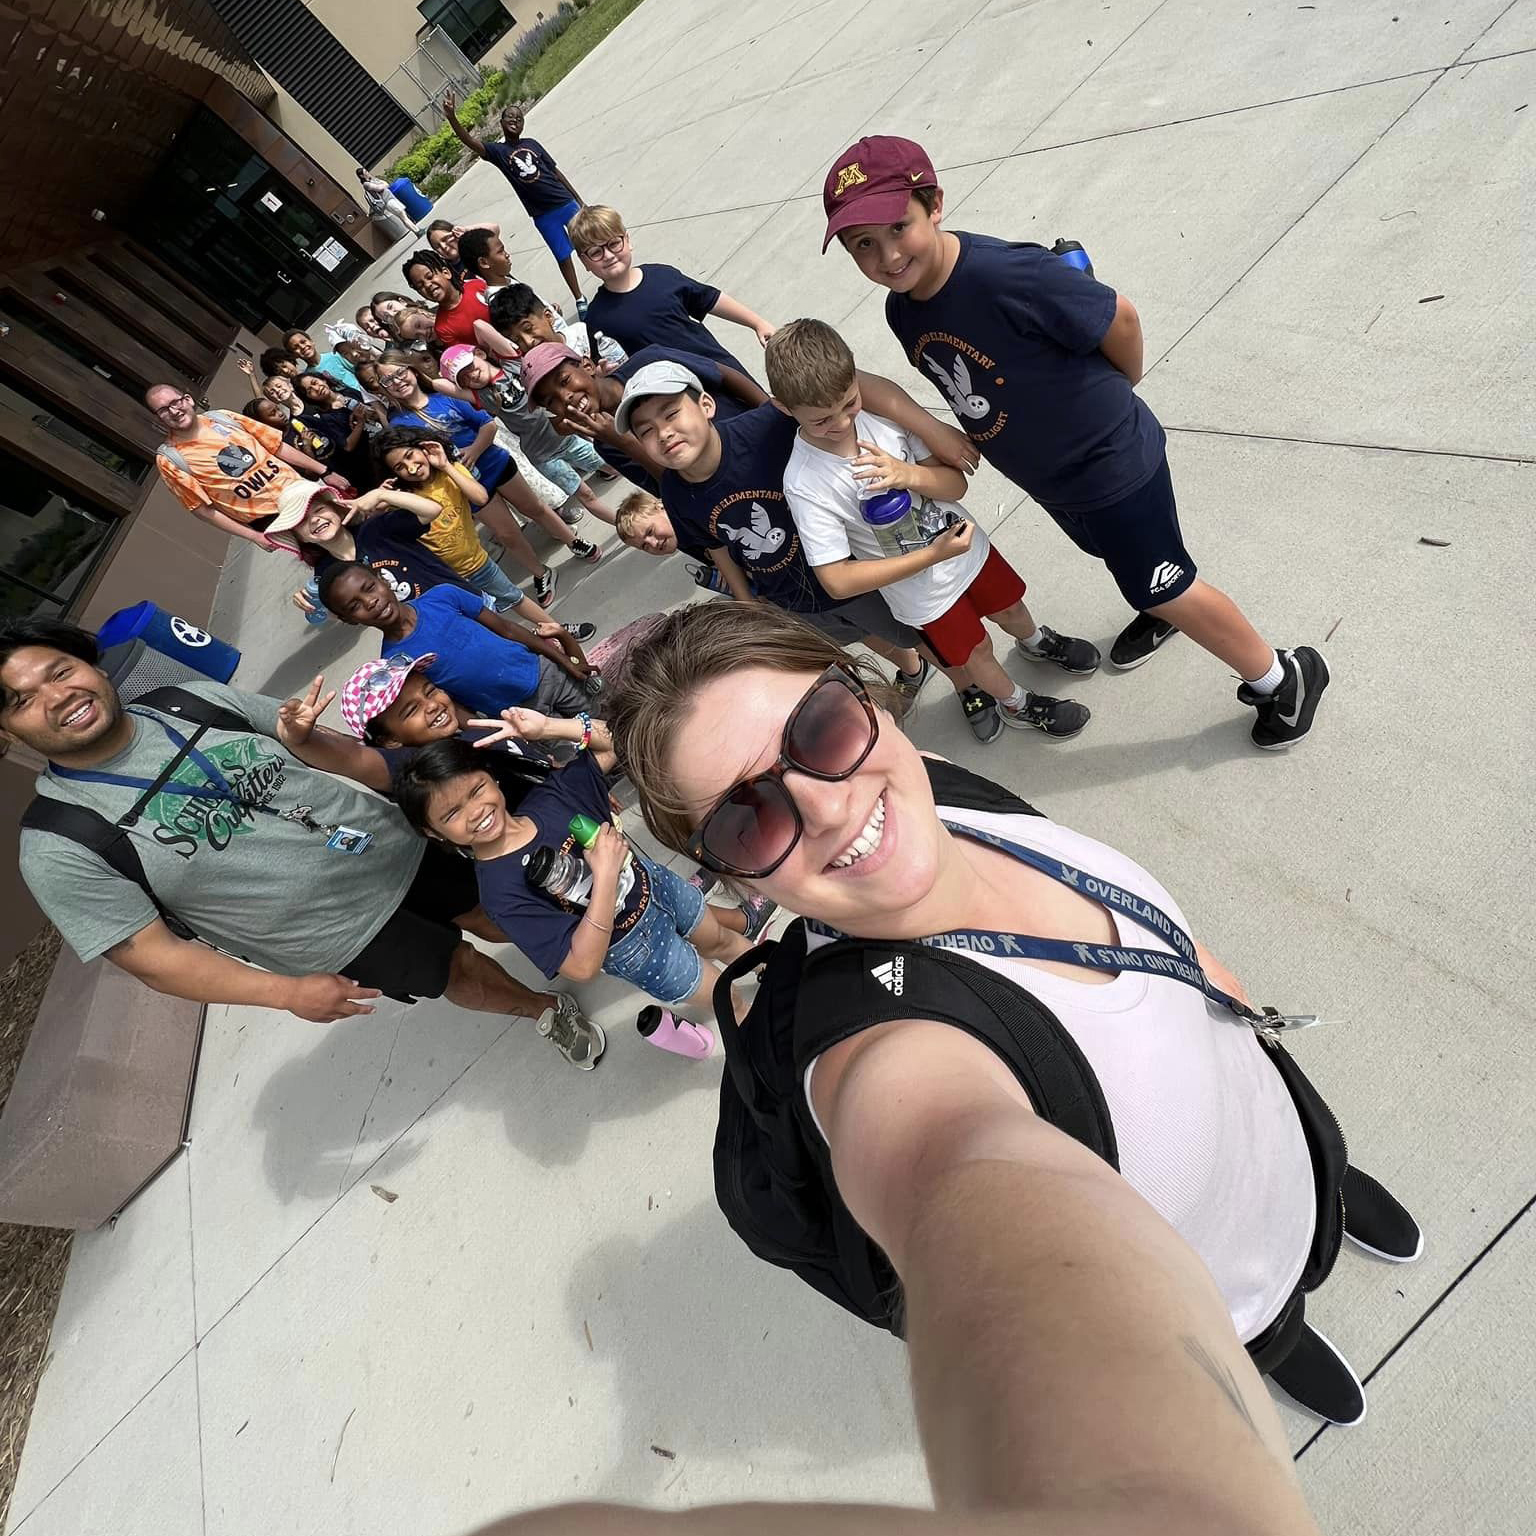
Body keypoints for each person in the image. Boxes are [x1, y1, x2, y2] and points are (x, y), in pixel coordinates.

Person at [609, 599, 1421, 1427]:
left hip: (1272, 1111)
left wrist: (1224, 988)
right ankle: (1279, 1338)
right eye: (749, 821)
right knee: (1263, 1329)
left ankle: (1332, 1190)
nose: (827, 806)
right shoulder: (885, 1057)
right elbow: (939, 1157)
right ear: (739, 884)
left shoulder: (939, 792)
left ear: (868, 701)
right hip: (1222, 1291)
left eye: (819, 729)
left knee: (1311, 1167)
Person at [825, 135, 1330, 749]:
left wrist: (1119, 390)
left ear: (934, 204)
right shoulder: (903, 310)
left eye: (897, 226)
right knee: (1125, 558)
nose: (887, 256)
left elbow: (1120, 317)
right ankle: (1159, 606)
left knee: (1162, 580)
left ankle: (1283, 678)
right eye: (863, 246)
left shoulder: (1006, 275)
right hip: (1052, 476)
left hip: (1112, 461)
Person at [1, 618, 602, 1068]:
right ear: (8, 731)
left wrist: (426, 789)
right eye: (23, 701)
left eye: (60, 671)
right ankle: (542, 1010)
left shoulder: (186, 700)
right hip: (334, 932)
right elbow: (154, 959)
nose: (57, 697)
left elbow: (325, 747)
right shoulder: (58, 841)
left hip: (394, 844)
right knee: (458, 971)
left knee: (496, 908)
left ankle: (594, 936)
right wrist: (284, 992)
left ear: (94, 667)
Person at [619, 362, 1090, 739]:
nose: (663, 432)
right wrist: (749, 606)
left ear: (704, 405)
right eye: (645, 429)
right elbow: (718, 547)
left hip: (869, 572)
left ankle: (967, 683)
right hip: (796, 598)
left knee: (927, 639)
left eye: (671, 414)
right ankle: (979, 690)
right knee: (881, 639)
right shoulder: (678, 495)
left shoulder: (766, 427)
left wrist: (929, 426)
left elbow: (846, 383)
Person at [767, 318, 1098, 738]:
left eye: (849, 403)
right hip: (923, 592)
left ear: (856, 378)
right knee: (976, 652)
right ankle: (1016, 703)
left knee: (1010, 607)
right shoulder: (806, 482)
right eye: (821, 420)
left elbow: (954, 483)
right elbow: (835, 580)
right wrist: (931, 555)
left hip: (968, 549)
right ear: (784, 408)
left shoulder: (880, 418)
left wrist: (906, 475)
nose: (841, 423)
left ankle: (1035, 642)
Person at [394, 725, 771, 1043]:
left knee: (721, 940)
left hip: (659, 887)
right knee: (728, 996)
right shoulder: (499, 894)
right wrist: (605, 879)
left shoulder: (552, 798)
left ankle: (776, 969)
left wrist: (549, 727)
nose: (475, 811)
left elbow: (613, 742)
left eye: (475, 790)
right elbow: (581, 965)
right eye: (452, 813)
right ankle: (770, 1036)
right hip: (632, 948)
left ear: (491, 777)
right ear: (433, 831)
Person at [375, 349, 600, 604]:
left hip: (495, 462)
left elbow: (488, 424)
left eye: (399, 373)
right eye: (388, 381)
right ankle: (541, 572)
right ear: (383, 389)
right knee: (507, 534)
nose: (397, 382)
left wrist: (474, 450)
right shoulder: (398, 424)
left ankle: (574, 541)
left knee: (536, 508)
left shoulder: (445, 396)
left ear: (412, 370)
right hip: (463, 485)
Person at [371, 428, 591, 628]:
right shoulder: (400, 497)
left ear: (425, 447)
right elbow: (378, 530)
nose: (410, 467)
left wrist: (446, 465)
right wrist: (381, 502)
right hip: (443, 577)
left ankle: (561, 632)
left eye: (410, 455)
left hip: (476, 562)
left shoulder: (451, 471)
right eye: (399, 467)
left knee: (515, 598)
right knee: (484, 623)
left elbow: (480, 496)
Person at [318, 566, 597, 721]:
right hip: (517, 715)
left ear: (383, 580)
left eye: (369, 588)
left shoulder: (443, 596)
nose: (371, 602)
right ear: (349, 619)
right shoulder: (396, 665)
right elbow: (449, 705)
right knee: (585, 758)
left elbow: (508, 629)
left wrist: (562, 661)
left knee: (607, 722)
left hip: (545, 674)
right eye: (355, 606)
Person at [521, 340, 769, 494]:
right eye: (550, 401)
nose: (564, 398)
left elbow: (723, 375)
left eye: (565, 381)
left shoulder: (649, 360)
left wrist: (771, 413)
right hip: (735, 485)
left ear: (586, 365)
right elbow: (671, 488)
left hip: (756, 439)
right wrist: (624, 443)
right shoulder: (607, 442)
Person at [569, 203, 775, 374]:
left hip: (722, 370)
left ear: (628, 240)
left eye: (614, 243)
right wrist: (604, 375)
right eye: (596, 252)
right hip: (677, 404)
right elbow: (604, 368)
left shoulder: (662, 276)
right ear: (584, 262)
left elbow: (709, 299)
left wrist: (757, 323)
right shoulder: (597, 318)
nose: (608, 255)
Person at [145, 385, 339, 552]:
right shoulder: (170, 459)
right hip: (272, 520)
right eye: (162, 410)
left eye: (175, 402)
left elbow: (276, 446)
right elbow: (203, 510)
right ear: (158, 417)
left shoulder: (223, 417)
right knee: (326, 558)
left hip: (301, 492)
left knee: (348, 530)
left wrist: (325, 472)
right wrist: (254, 536)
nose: (173, 411)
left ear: (188, 400)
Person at [435, 344, 613, 525]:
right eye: (464, 378)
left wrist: (477, 349)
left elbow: (482, 327)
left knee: (613, 465)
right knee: (587, 495)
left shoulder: (514, 367)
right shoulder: (484, 397)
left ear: (480, 353)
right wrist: (447, 370)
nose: (471, 376)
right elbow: (438, 385)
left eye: (470, 367)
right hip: (543, 456)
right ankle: (622, 525)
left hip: (567, 438)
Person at [441, 94, 586, 307]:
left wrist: (579, 201)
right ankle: (579, 298)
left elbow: (555, 172)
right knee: (563, 256)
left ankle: (601, 271)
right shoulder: (498, 151)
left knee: (587, 241)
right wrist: (453, 117)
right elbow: (470, 141)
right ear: (501, 123)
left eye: (519, 118)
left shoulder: (532, 144)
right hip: (543, 215)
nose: (514, 121)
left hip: (565, 202)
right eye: (509, 117)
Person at [402, 248, 494, 350]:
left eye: (429, 277)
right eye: (420, 286)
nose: (427, 285)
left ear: (446, 273)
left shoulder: (477, 285)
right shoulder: (443, 328)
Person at [283, 327, 362, 393]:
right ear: (294, 355)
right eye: (296, 347)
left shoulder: (334, 356)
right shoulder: (309, 377)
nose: (302, 347)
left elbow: (358, 371)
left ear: (311, 341)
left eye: (303, 342)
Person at [426, 217, 500, 286]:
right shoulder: (448, 271)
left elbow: (494, 228)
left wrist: (466, 230)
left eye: (445, 239)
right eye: (437, 246)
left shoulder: (474, 245)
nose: (443, 246)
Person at [455, 226, 516, 295]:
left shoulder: (507, 281)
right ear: (483, 263)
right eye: (500, 251)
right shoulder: (503, 299)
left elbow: (494, 227)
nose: (507, 255)